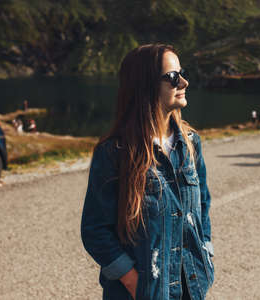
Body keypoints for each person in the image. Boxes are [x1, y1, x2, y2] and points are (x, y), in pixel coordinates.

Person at [81, 44, 214, 300]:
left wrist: (205, 253)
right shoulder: (114, 152)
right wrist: (133, 283)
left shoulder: (190, 142)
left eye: (182, 73)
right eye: (174, 77)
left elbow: (203, 206)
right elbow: (94, 229)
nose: (184, 82)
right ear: (146, 86)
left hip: (191, 289)